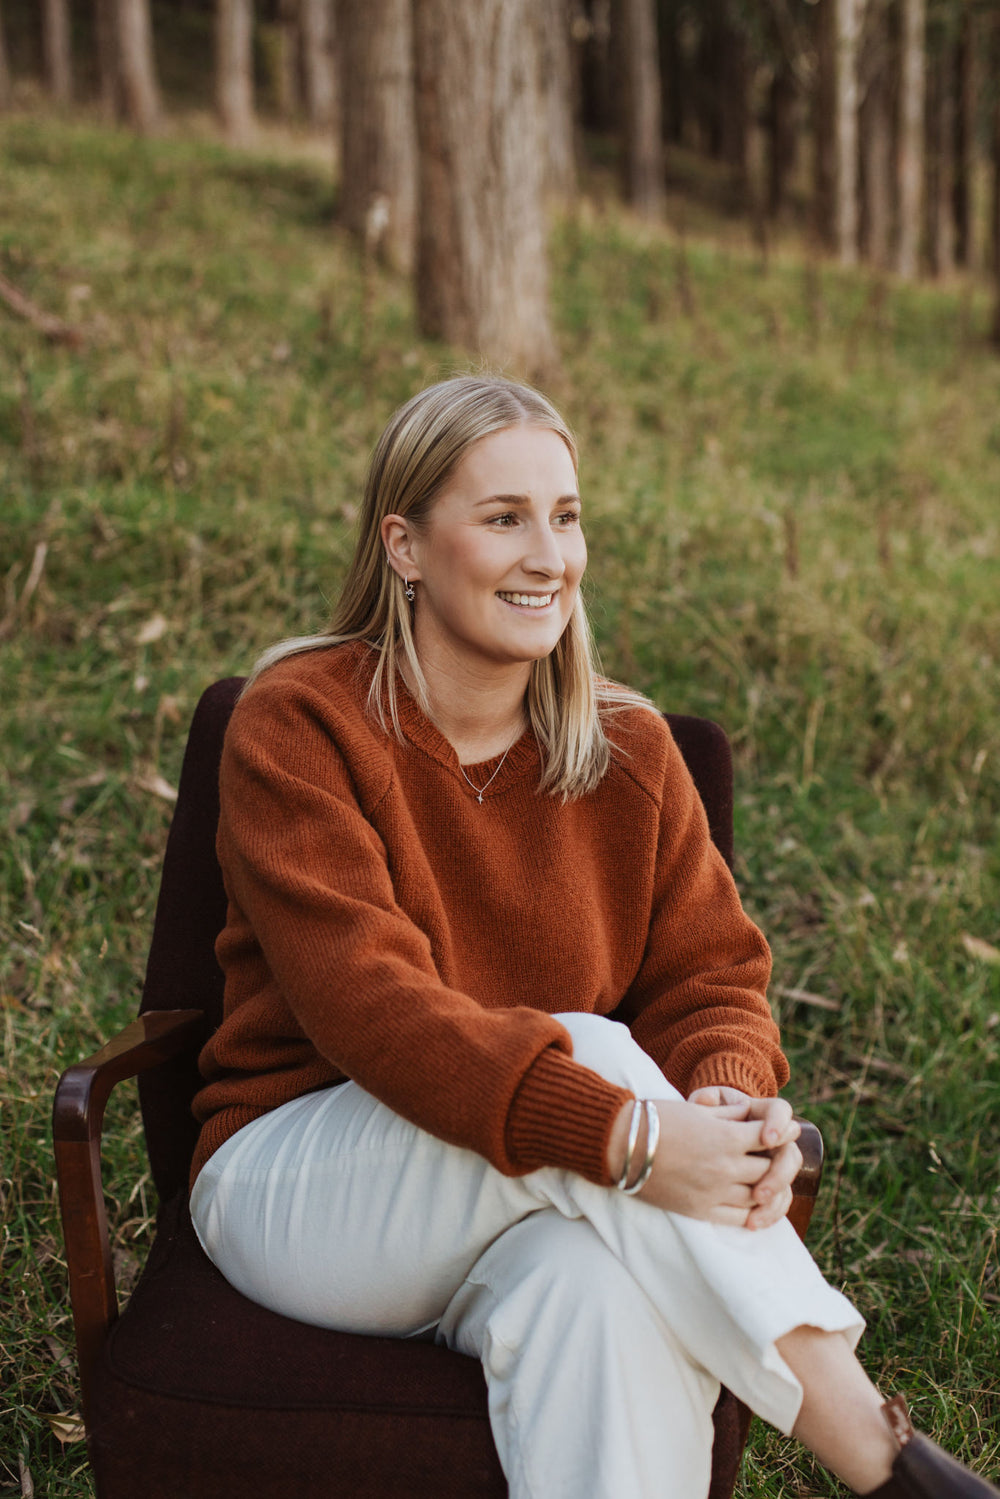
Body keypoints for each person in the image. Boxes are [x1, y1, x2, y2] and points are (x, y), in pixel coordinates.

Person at [189, 375, 996, 1499]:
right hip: (303, 1182)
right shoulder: (301, 721)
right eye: (503, 516)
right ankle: (878, 1454)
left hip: (538, 1189)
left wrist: (716, 1097)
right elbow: (369, 1003)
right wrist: (630, 1138)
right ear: (405, 545)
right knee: (588, 1048)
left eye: (565, 516)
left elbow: (713, 975)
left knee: (599, 1297)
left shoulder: (629, 750)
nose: (546, 555)